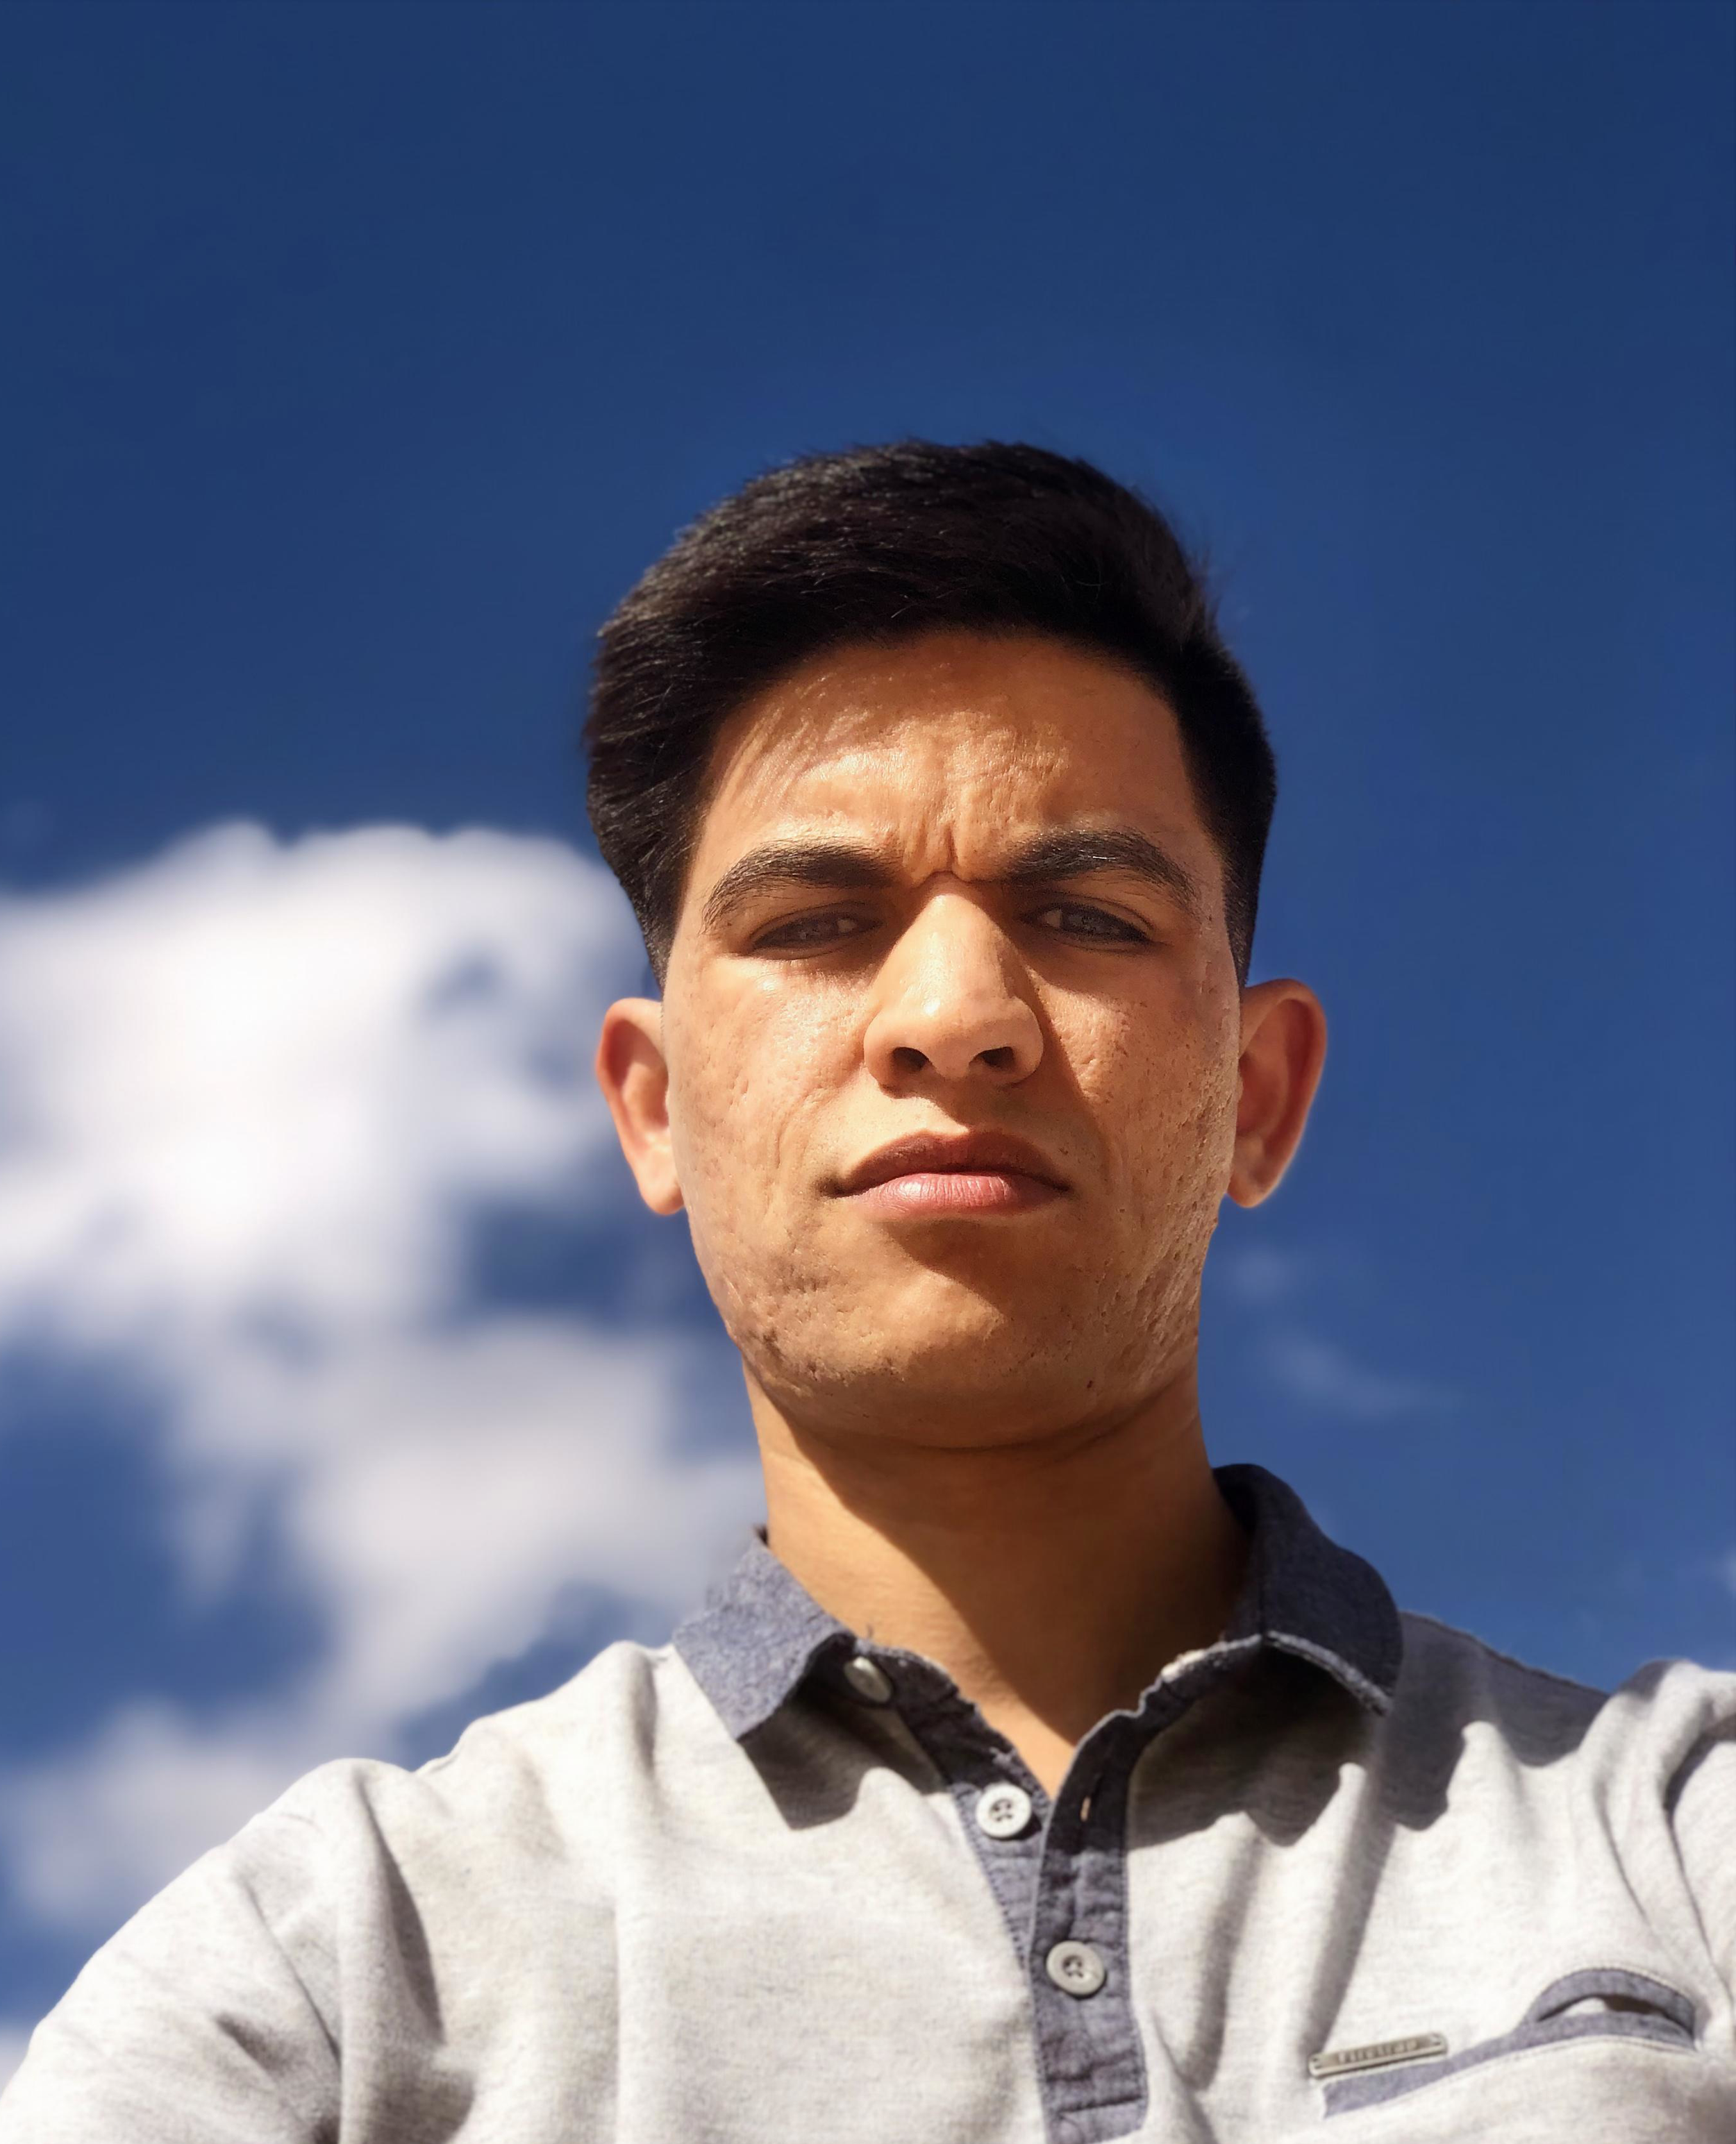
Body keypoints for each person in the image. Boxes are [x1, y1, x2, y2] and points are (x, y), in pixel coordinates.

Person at [4, 441, 1732, 2143]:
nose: (953, 1010)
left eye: (1085, 911)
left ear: (1258, 1094)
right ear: (655, 1103)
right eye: (820, 921)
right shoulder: (329, 1970)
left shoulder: (1666, 1840)